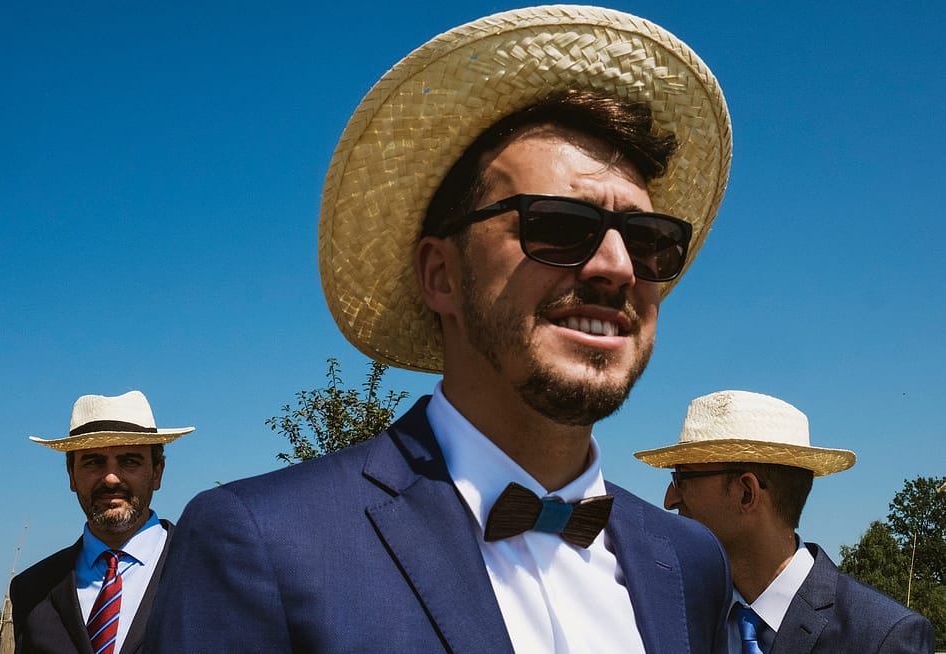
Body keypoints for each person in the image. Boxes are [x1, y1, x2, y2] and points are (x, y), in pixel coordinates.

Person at [148, 6, 735, 652]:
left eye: (649, 240)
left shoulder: (690, 565)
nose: (617, 267)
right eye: (560, 227)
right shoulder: (262, 549)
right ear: (442, 274)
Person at [635, 389, 936, 653]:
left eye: (682, 479)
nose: (669, 500)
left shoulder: (882, 638)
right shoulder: (676, 617)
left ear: (746, 493)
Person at [10, 390, 194, 654]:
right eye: (93, 462)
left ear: (157, 473)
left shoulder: (208, 570)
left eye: (129, 461)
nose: (110, 478)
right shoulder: (32, 590)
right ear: (71, 475)